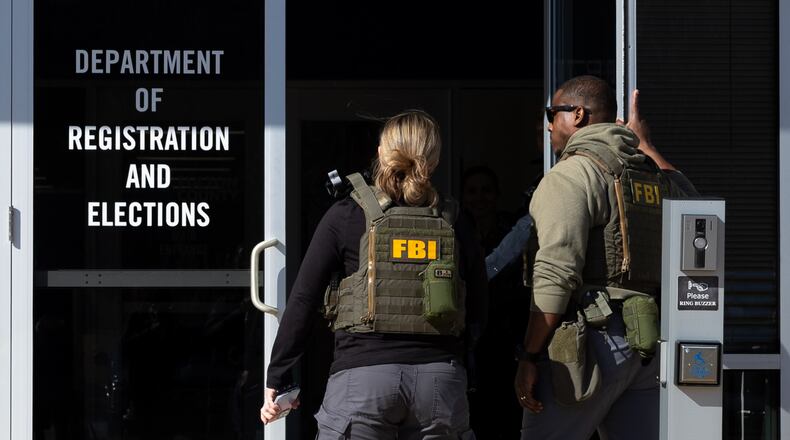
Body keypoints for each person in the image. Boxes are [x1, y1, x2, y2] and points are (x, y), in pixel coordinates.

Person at [260, 110, 487, 439]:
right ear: (433, 159)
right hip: (439, 383)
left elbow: (305, 298)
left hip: (362, 381)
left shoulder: (347, 216)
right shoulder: (455, 220)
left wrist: (278, 375)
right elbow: (479, 307)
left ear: (382, 152)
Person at [514, 76, 697, 440]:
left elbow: (555, 273)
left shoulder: (571, 175)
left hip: (590, 346)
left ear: (577, 115)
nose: (548, 124)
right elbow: (697, 210)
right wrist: (645, 145)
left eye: (553, 113)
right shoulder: (648, 176)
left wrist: (530, 356)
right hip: (645, 350)